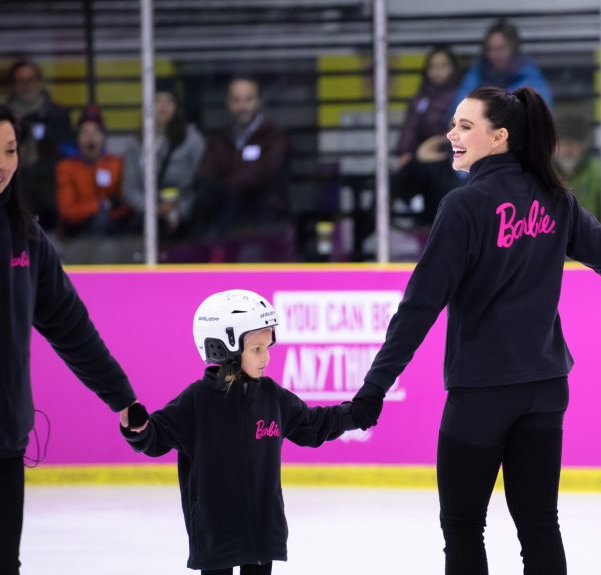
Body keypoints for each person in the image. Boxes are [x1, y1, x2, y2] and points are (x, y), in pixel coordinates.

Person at [347, 86, 601, 574]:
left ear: (499, 138)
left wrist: (373, 389)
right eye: (454, 124)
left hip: (481, 395)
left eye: (465, 126)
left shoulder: (464, 207)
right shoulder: (555, 199)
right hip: (545, 388)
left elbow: (418, 309)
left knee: (462, 527)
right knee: (539, 523)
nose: (451, 134)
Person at [0, 103, 147, 575]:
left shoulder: (26, 239)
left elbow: (71, 327)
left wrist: (121, 397)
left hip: (4, 440)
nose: (3, 163)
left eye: (10, 150)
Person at [120, 289, 360, 575]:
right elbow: (156, 436)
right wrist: (137, 427)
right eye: (257, 349)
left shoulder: (272, 397)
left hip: (261, 528)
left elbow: (313, 424)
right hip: (216, 529)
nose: (266, 358)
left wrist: (355, 414)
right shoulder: (198, 400)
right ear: (225, 349)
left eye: (268, 347)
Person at [193, 76, 290, 243]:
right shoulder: (219, 138)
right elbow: (205, 175)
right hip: (226, 220)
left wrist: (226, 183)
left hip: (266, 220)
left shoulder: (274, 136)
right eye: (236, 100)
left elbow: (266, 173)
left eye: (248, 99)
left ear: (258, 102)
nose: (242, 106)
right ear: (228, 103)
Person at [122, 77, 206, 239]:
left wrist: (179, 211)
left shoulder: (192, 140)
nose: (163, 107)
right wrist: (152, 210)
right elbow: (129, 188)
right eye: (157, 101)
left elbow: (200, 185)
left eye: (169, 101)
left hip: (185, 222)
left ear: (177, 106)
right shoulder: (135, 143)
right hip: (145, 221)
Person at [393, 46, 464, 227]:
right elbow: (409, 129)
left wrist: (437, 145)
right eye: (433, 66)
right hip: (421, 157)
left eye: (443, 65)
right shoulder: (419, 99)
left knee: (436, 171)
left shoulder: (462, 96)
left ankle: (437, 225)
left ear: (453, 69)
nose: (437, 71)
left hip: (448, 157)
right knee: (389, 182)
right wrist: (405, 153)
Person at [4, 60, 73, 232]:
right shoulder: (3, 118)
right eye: (21, 81)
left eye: (31, 79)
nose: (27, 85)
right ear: (13, 85)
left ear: (40, 82)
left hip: (51, 196)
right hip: (12, 195)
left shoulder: (58, 116)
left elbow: (68, 155)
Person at [55, 105, 132, 238]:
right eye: (85, 132)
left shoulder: (117, 163)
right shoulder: (66, 167)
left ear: (103, 137)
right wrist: (102, 205)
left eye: (96, 132)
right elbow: (67, 211)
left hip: (113, 227)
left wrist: (110, 211)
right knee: (100, 221)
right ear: (77, 139)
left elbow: (125, 203)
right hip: (79, 232)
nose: (90, 137)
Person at [554, 113, 601, 244]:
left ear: (585, 145)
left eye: (573, 144)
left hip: (592, 251)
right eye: (562, 144)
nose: (567, 150)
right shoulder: (540, 171)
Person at [451, 19, 552, 112]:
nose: (495, 55)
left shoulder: (529, 75)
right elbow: (459, 107)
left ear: (513, 48)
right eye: (491, 49)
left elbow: (541, 112)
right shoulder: (477, 74)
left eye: (501, 48)